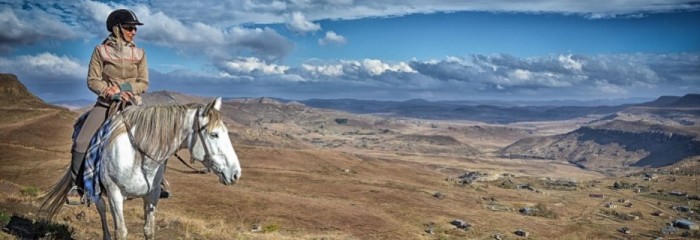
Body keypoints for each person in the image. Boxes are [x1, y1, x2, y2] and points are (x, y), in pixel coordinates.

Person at [67, 9, 170, 204]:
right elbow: (92, 80)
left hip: (132, 105)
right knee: (82, 141)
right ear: (117, 29)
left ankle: (159, 182)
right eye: (129, 27)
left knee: (158, 138)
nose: (134, 31)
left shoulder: (139, 53)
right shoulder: (100, 51)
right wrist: (111, 92)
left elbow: (144, 82)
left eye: (135, 28)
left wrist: (125, 89)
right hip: (106, 105)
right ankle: (77, 186)